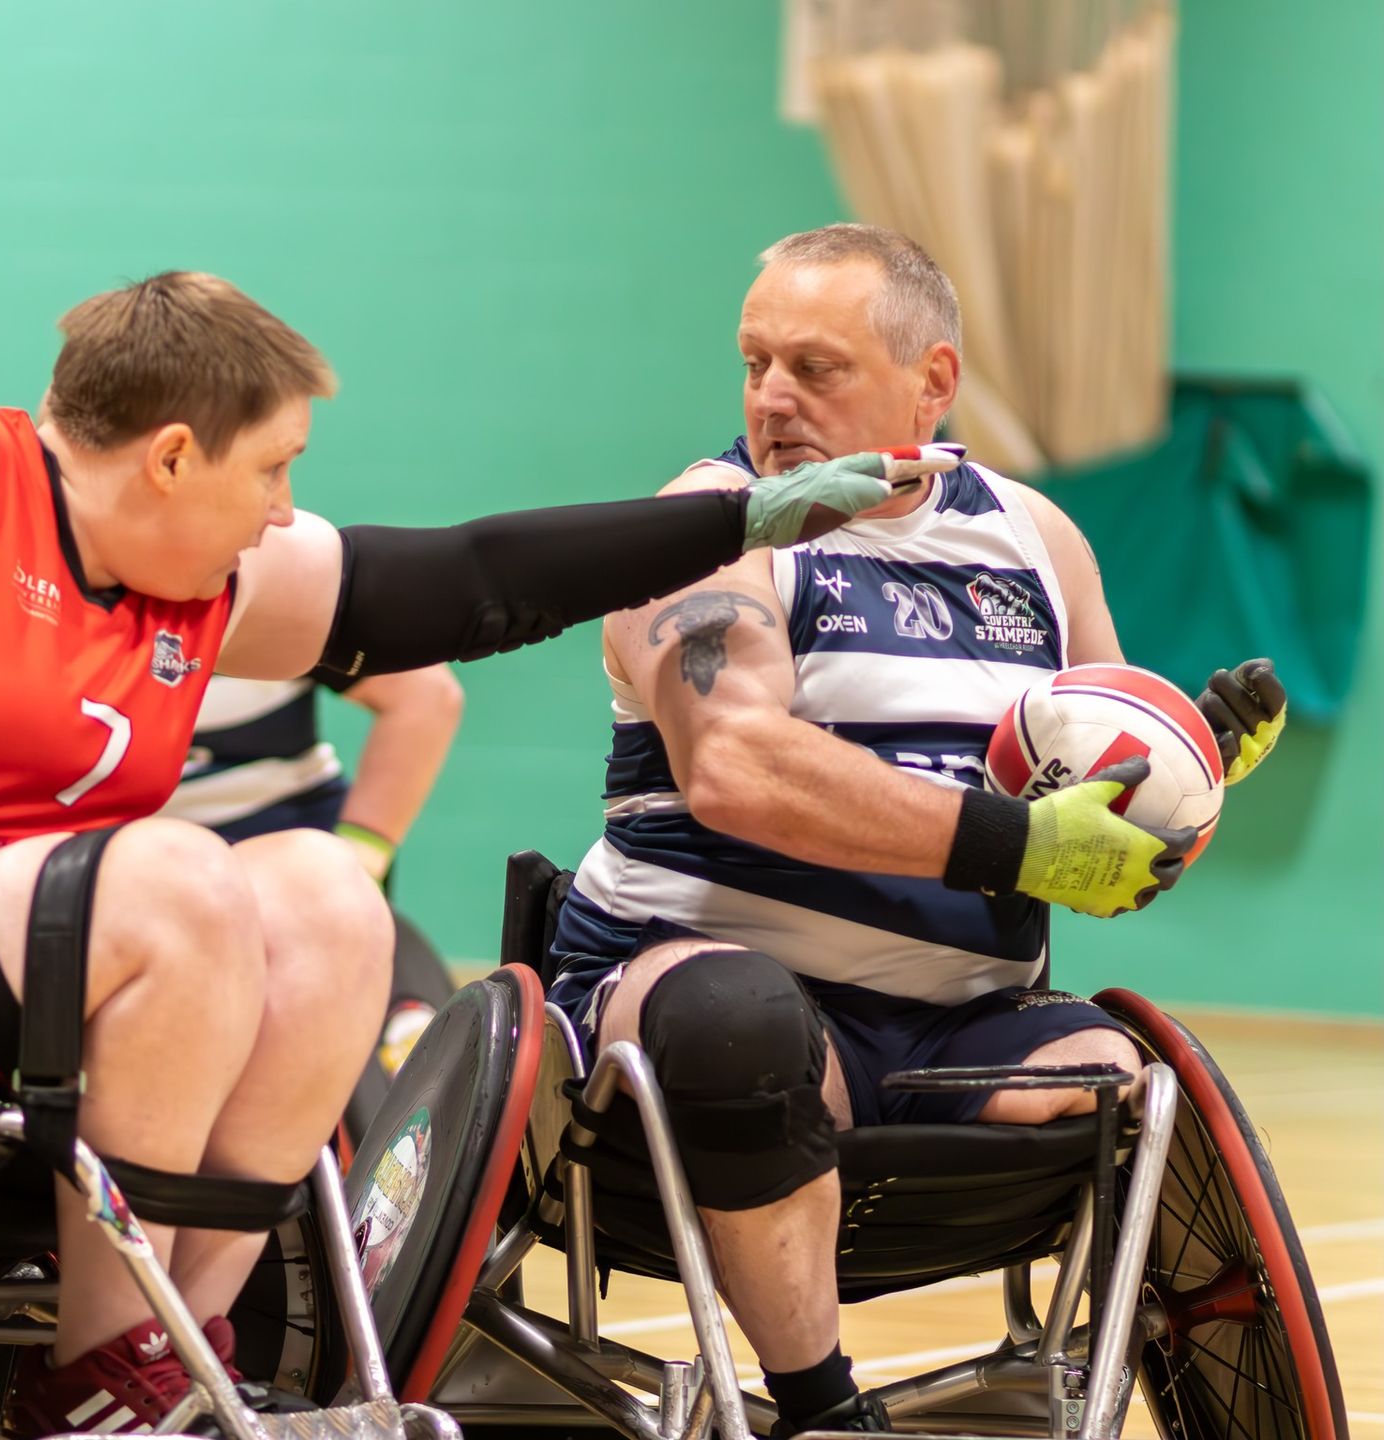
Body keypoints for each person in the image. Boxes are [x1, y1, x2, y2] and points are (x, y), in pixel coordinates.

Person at [0, 269, 954, 1438]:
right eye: (275, 466)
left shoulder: (216, 577)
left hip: (40, 957)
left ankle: (177, 1358)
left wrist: (747, 517)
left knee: (324, 897)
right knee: (178, 874)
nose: (286, 508)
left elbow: (476, 578)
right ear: (175, 456)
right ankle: (97, 1372)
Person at [545, 225, 1289, 1436]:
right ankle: (821, 1409)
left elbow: (1099, 824)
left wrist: (1185, 778)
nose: (771, 397)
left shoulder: (1036, 541)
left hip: (956, 1026)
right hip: (694, 998)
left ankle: (1076, 1383)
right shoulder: (704, 528)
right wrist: (1015, 847)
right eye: (754, 363)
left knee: (1123, 1082)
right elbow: (736, 766)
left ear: (931, 380)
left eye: (815, 368)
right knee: (743, 1020)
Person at [158, 666, 464, 1135]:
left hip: (285, 871)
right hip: (148, 885)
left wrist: (353, 874)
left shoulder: (263, 618)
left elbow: (427, 697)